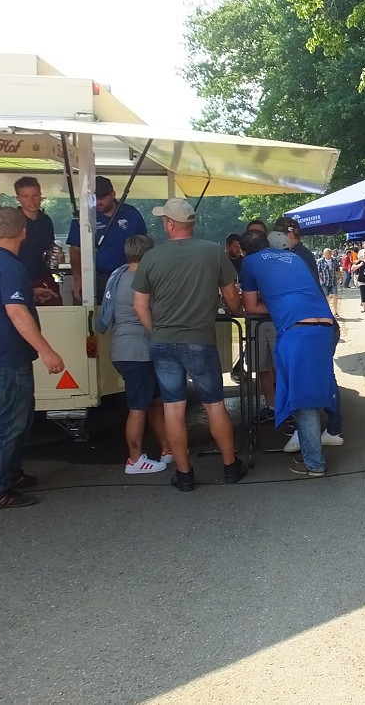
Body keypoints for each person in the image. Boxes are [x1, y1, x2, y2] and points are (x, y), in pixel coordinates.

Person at [132, 198, 246, 492]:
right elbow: (231, 296)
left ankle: (184, 474)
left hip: (164, 342)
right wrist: (235, 312)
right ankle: (230, 466)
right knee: (214, 404)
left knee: (173, 407)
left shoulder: (152, 257)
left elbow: (139, 305)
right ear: (191, 224)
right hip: (199, 340)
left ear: (169, 223)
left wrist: (155, 330)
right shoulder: (212, 252)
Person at [0, 207, 65, 508]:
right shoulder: (11, 267)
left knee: (14, 421)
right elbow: (16, 312)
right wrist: (47, 350)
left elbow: (2, 302)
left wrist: (31, 295)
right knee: (6, 424)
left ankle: (11, 475)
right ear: (23, 231)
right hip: (6, 358)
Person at [239, 229, 339, 477]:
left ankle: (314, 463)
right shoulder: (293, 257)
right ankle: (327, 438)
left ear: (242, 251)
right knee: (315, 391)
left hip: (296, 331)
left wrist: (276, 305)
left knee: (301, 399)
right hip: (324, 326)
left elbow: (250, 306)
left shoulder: (249, 263)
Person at [96, 235, 171, 475]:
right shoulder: (143, 279)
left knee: (156, 402)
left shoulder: (118, 276)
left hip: (124, 349)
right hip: (137, 351)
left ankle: (167, 449)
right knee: (138, 407)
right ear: (151, 255)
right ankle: (135, 459)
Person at [0, 177, 62, 306]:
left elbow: (49, 249)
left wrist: (57, 256)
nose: (32, 201)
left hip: (45, 280)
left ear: (41, 196)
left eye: (35, 196)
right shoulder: (11, 220)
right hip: (19, 281)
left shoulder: (45, 220)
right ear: (18, 198)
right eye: (25, 196)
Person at [67, 176, 148, 305]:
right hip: (94, 278)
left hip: (126, 277)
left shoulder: (131, 213)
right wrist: (78, 280)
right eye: (95, 198)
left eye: (102, 198)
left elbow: (144, 246)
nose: (98, 202)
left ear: (113, 194)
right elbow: (75, 251)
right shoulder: (83, 216)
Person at [317, 247, 341, 314]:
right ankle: (327, 311)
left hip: (333, 281)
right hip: (324, 281)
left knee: (335, 296)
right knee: (326, 297)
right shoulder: (320, 261)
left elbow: (337, 269)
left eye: (328, 254)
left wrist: (340, 278)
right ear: (324, 254)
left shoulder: (334, 260)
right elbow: (318, 272)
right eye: (326, 254)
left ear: (331, 254)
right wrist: (320, 280)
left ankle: (335, 311)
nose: (327, 256)